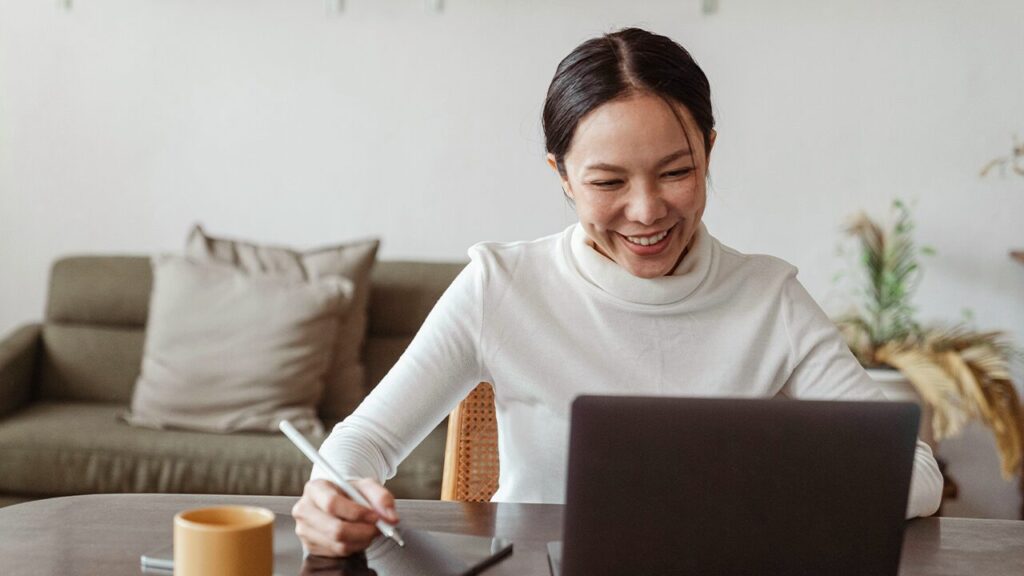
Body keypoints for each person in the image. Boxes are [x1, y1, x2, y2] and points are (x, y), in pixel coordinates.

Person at [291, 27, 943, 557]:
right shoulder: (502, 286)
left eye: (677, 171)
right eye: (607, 183)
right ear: (563, 177)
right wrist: (332, 494)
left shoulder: (769, 298)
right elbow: (361, 442)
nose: (646, 211)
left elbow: (916, 474)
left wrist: (767, 489)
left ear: (709, 153)